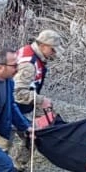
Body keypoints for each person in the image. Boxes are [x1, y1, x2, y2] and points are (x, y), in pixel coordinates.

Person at [11, 29, 62, 163]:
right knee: (2, 143)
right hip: (9, 108)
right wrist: (41, 100)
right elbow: (16, 92)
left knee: (34, 134)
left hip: (19, 106)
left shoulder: (30, 53)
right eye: (52, 49)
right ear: (43, 46)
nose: (54, 54)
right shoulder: (29, 65)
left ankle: (17, 169)